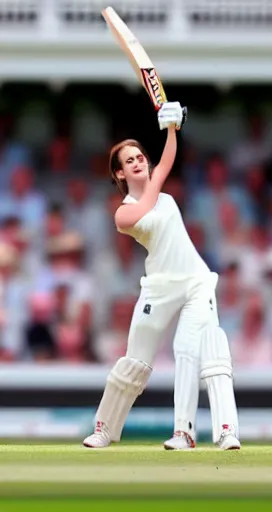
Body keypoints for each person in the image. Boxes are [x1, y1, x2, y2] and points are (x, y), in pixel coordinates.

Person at [82, 102, 240, 451]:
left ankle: (206, 432)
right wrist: (169, 132)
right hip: (158, 288)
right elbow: (154, 187)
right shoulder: (124, 214)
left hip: (197, 282)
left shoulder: (162, 193)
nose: (139, 162)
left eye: (140, 156)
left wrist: (172, 129)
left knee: (199, 351)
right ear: (120, 175)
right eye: (130, 161)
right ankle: (103, 429)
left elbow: (166, 162)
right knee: (135, 361)